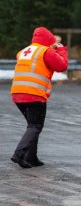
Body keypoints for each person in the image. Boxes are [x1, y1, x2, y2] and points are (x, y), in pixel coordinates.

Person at [10, 27, 69, 168]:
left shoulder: (23, 51)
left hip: (17, 93)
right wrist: (60, 50)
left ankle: (31, 158)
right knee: (35, 125)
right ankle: (19, 154)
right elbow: (61, 66)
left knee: (32, 126)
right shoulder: (45, 51)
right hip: (34, 93)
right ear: (48, 40)